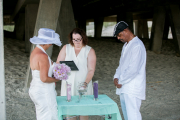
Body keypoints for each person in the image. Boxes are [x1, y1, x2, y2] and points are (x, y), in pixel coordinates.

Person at [56, 28, 96, 120]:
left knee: (83, 111)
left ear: (83, 38)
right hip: (68, 84)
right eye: (74, 39)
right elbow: (58, 63)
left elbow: (91, 70)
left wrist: (85, 83)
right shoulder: (66, 48)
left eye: (79, 39)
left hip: (83, 84)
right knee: (70, 112)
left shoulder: (89, 50)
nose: (76, 41)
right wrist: (62, 69)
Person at [113, 21, 146, 120]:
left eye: (119, 35)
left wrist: (120, 80)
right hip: (124, 87)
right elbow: (121, 65)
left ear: (126, 31)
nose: (118, 38)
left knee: (133, 116)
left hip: (132, 88)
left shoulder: (137, 45)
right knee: (127, 116)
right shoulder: (126, 45)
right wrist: (116, 77)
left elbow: (133, 69)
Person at [29, 28, 62, 120]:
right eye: (51, 41)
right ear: (47, 41)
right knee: (49, 116)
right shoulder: (42, 56)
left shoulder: (35, 51)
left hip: (36, 88)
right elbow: (44, 78)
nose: (51, 44)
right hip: (44, 91)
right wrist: (57, 79)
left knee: (42, 115)